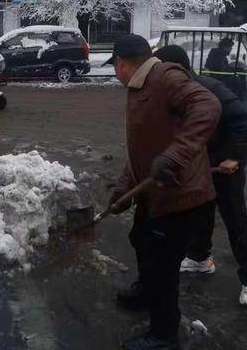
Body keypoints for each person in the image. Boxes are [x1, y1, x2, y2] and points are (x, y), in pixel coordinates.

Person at [105, 35, 221, 350]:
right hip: (154, 193)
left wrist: (175, 155)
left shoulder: (165, 76)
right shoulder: (141, 87)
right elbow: (143, 149)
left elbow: (208, 105)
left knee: (162, 265)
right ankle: (146, 293)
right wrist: (123, 188)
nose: (116, 74)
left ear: (122, 64)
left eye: (115, 67)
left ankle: (164, 335)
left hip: (179, 194)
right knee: (140, 240)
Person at [155, 45, 247, 306]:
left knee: (235, 219)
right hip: (202, 163)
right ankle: (199, 258)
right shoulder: (173, 93)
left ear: (177, 70)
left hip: (226, 163)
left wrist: (236, 157)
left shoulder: (209, 89)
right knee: (201, 210)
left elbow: (242, 120)